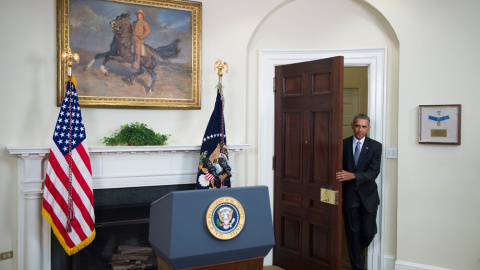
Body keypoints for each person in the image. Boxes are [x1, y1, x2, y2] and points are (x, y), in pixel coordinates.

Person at [336, 114, 382, 270]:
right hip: (349, 197)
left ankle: (355, 251)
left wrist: (353, 175)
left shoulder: (376, 146)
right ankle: (358, 267)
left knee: (369, 232)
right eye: (357, 126)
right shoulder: (342, 145)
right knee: (352, 234)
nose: (360, 130)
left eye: (364, 126)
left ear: (368, 128)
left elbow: (373, 173)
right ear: (352, 125)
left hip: (368, 197)